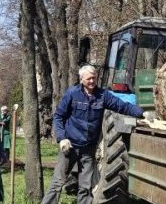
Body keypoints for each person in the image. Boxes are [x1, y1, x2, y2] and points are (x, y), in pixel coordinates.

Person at [40, 65, 153, 204]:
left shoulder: (102, 95)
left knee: (85, 187)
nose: (92, 81)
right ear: (81, 80)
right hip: (70, 147)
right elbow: (58, 117)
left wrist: (142, 113)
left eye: (94, 77)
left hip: (88, 149)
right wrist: (62, 138)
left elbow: (122, 106)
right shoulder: (72, 94)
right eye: (89, 78)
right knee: (57, 183)